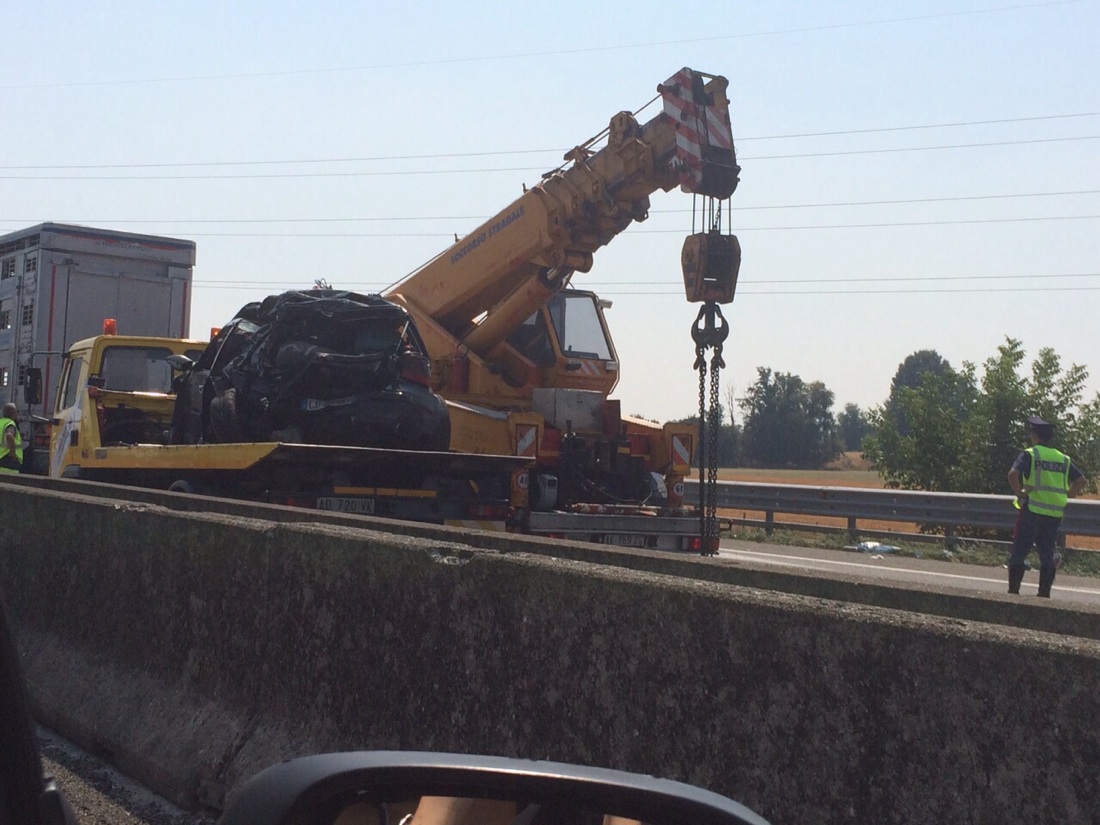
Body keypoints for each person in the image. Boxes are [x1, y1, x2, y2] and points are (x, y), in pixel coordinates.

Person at [1006, 415, 1087, 597]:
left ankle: (1013, 594)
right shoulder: (1063, 458)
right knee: (1047, 554)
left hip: (1032, 511)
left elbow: (1012, 474)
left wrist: (1020, 493)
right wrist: (1068, 494)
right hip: (1054, 515)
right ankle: (1044, 595)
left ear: (1035, 436)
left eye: (1031, 434)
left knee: (1019, 552)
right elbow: (1081, 480)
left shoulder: (1030, 454)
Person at [0, 403, 23, 475]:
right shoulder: (10, 423)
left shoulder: (1, 422)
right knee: (11, 481)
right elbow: (9, 435)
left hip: (2, 460)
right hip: (8, 461)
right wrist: (12, 453)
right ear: (13, 413)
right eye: (17, 412)